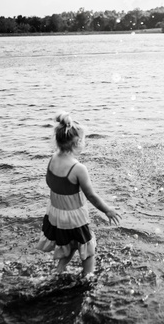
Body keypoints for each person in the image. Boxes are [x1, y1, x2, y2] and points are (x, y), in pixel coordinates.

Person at [36, 111, 121, 276]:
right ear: (78, 142)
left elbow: (50, 182)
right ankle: (88, 279)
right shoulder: (78, 169)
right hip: (74, 217)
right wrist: (107, 210)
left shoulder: (53, 159)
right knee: (88, 249)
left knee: (70, 243)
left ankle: (58, 271)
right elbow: (91, 196)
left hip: (56, 214)